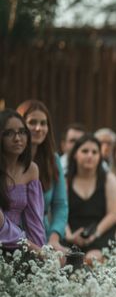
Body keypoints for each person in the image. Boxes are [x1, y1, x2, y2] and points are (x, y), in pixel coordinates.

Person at [17, 100, 69, 253]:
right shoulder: (8, 160)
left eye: (43, 123)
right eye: (32, 122)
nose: (38, 128)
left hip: (43, 234)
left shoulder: (52, 159)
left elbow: (60, 205)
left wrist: (54, 238)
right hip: (13, 235)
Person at [65, 135, 116, 260]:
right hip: (70, 233)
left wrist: (94, 235)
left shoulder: (109, 180)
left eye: (95, 152)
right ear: (75, 154)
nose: (90, 155)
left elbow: (112, 214)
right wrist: (69, 235)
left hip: (100, 233)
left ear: (100, 156)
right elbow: (59, 211)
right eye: (85, 151)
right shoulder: (65, 181)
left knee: (92, 259)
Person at [0, 109, 46, 251]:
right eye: (9, 133)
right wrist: (34, 249)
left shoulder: (31, 169)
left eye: (22, 132)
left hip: (22, 246)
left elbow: (35, 221)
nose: (17, 138)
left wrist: (43, 259)